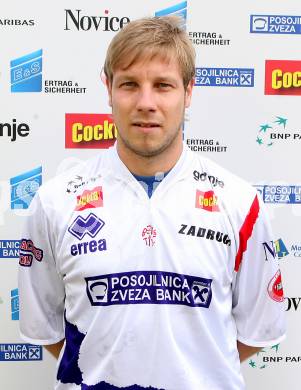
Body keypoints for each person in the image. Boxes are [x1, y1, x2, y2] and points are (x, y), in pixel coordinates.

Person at [19, 16, 285, 390]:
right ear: (108, 88)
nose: (146, 103)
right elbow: (46, 329)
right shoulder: (54, 203)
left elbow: (256, 331)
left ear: (188, 92)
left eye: (163, 86)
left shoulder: (240, 203)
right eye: (129, 84)